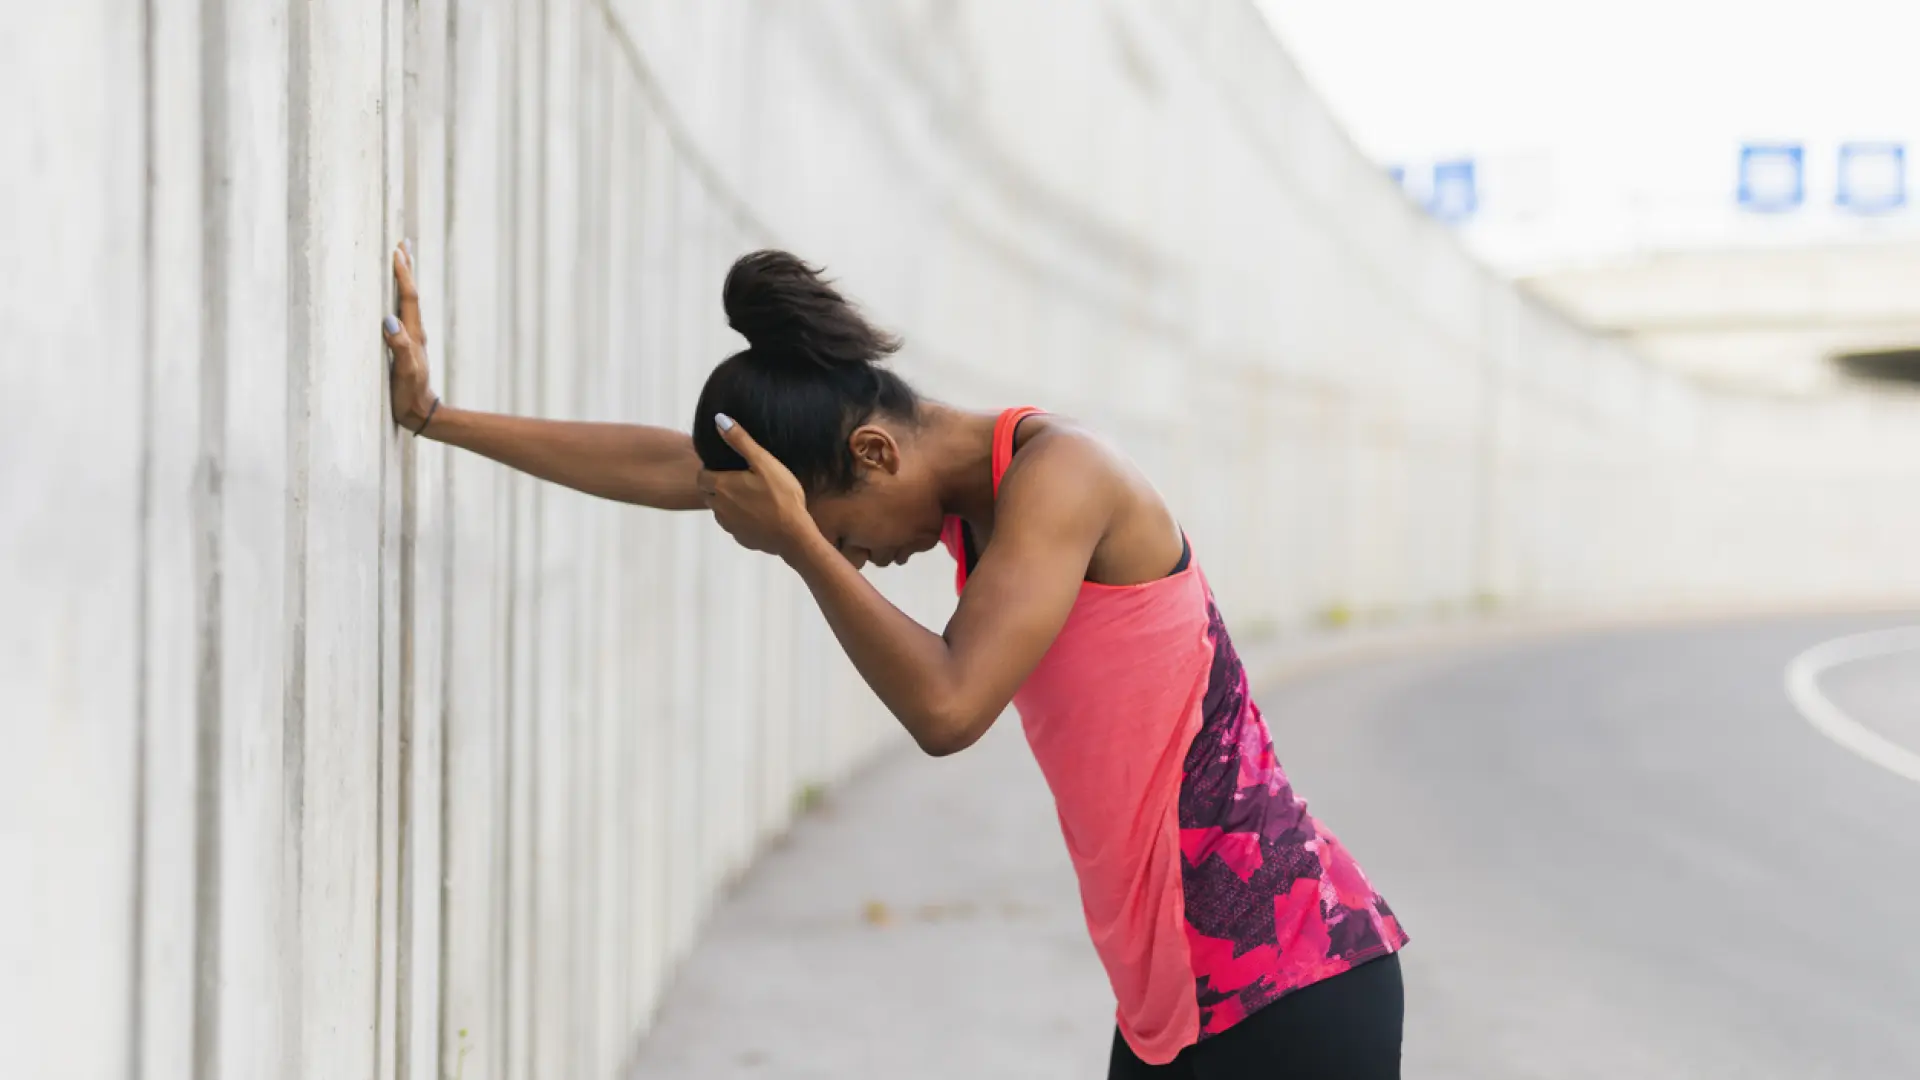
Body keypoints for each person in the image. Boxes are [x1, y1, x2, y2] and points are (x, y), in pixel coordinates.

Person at [382, 242, 1408, 1078]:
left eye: (847, 531)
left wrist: (804, 547)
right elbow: (675, 468)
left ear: (874, 453)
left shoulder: (1068, 478)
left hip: (1289, 981)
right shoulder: (976, 498)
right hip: (1177, 999)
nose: (860, 554)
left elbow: (950, 709)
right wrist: (437, 418)